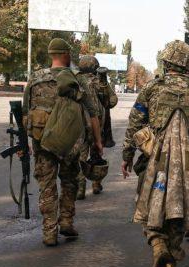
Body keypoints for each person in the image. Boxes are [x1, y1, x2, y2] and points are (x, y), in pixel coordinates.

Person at [122, 40, 189, 267]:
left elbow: (135, 122)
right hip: (187, 164)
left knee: (147, 200)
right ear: (188, 65)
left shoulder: (152, 89)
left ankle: (158, 246)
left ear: (166, 63)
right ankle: (173, 253)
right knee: (182, 205)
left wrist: (127, 154)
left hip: (152, 159)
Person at [22, 38, 103, 246]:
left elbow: (25, 112)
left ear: (51, 54)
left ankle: (49, 232)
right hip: (70, 142)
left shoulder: (35, 78)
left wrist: (27, 144)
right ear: (66, 55)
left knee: (47, 186)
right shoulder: (77, 78)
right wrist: (98, 142)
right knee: (69, 182)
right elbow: (93, 113)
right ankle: (66, 221)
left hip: (43, 142)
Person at [76, 55, 106, 198]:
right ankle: (96, 184)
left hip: (80, 124)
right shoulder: (99, 82)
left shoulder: (76, 81)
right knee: (96, 154)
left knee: (81, 156)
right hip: (97, 125)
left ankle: (80, 189)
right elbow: (112, 101)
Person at [96, 67, 118, 149]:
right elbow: (113, 97)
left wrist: (108, 104)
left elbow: (112, 97)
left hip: (102, 109)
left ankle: (105, 141)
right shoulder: (95, 83)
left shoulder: (105, 84)